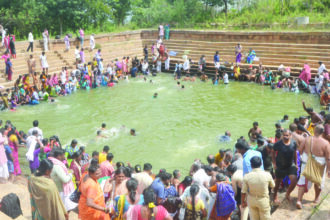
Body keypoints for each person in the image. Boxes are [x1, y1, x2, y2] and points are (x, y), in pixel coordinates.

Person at [296, 125, 330, 209]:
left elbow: (299, 150)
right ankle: (316, 199)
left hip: (306, 163)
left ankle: (299, 200)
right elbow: (328, 158)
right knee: (318, 181)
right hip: (320, 165)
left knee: (303, 182)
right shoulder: (326, 143)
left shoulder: (307, 139)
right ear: (322, 133)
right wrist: (329, 170)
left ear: (314, 131)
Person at [272, 129, 298, 203]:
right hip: (280, 166)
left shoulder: (293, 143)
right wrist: (274, 163)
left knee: (294, 180)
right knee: (277, 183)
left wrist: (296, 163)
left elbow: (295, 153)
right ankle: (275, 196)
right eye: (284, 135)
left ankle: (287, 194)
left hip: (290, 165)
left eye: (287, 135)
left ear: (290, 136)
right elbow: (273, 152)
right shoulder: (278, 144)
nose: (285, 136)